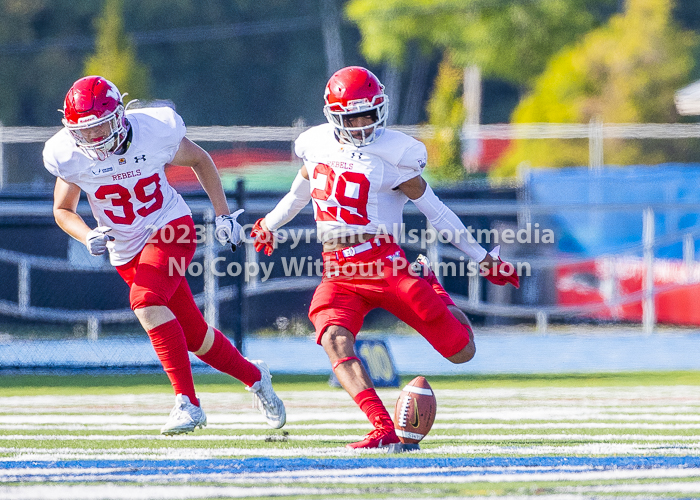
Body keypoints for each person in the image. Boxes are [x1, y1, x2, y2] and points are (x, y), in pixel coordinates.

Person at [249, 66, 519, 450]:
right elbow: (298, 193)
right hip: (338, 270)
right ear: (333, 115)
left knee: (462, 351)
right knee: (333, 338)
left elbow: (436, 210)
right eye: (352, 116)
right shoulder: (316, 144)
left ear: (381, 109)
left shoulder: (397, 154)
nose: (361, 124)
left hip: (384, 262)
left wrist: (481, 256)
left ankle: (434, 290)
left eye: (368, 114)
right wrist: (270, 224)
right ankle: (381, 427)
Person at [43, 75, 285, 435]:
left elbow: (200, 160)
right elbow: (63, 209)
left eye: (101, 127)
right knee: (196, 338)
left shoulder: (153, 130)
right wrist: (86, 234)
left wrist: (222, 214)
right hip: (126, 249)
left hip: (170, 226)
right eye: (86, 131)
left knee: (144, 299)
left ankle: (187, 403)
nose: (94, 138)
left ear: (120, 116)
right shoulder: (69, 154)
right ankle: (256, 376)